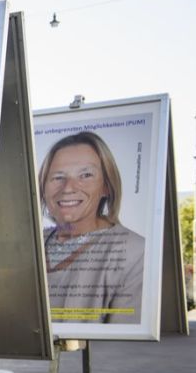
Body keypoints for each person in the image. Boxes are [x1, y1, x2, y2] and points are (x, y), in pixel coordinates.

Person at [39, 131, 145, 323]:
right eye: (58, 177)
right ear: (43, 187)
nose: (68, 187)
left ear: (106, 186)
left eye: (86, 175)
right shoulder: (30, 244)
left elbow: (124, 343)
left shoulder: (135, 252)